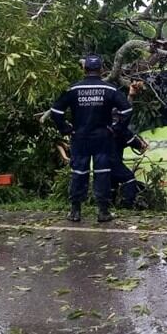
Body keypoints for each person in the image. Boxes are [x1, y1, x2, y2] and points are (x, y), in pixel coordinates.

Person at [51, 54, 132, 223]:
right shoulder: (109, 90)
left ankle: (75, 211)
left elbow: (56, 111)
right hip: (103, 139)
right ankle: (103, 211)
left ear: (84, 69)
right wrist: (116, 129)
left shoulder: (73, 90)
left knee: (78, 172)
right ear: (102, 70)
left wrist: (65, 128)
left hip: (80, 138)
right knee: (102, 173)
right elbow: (126, 110)